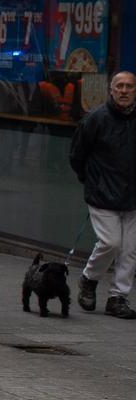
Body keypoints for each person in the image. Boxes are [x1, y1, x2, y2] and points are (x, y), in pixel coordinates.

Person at [70, 70, 136, 317]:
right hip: (102, 194)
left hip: (132, 197)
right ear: (111, 89)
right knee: (111, 242)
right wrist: (91, 181)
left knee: (130, 250)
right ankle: (89, 278)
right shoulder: (96, 119)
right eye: (119, 86)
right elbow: (77, 155)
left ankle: (118, 298)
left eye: (129, 86)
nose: (124, 91)